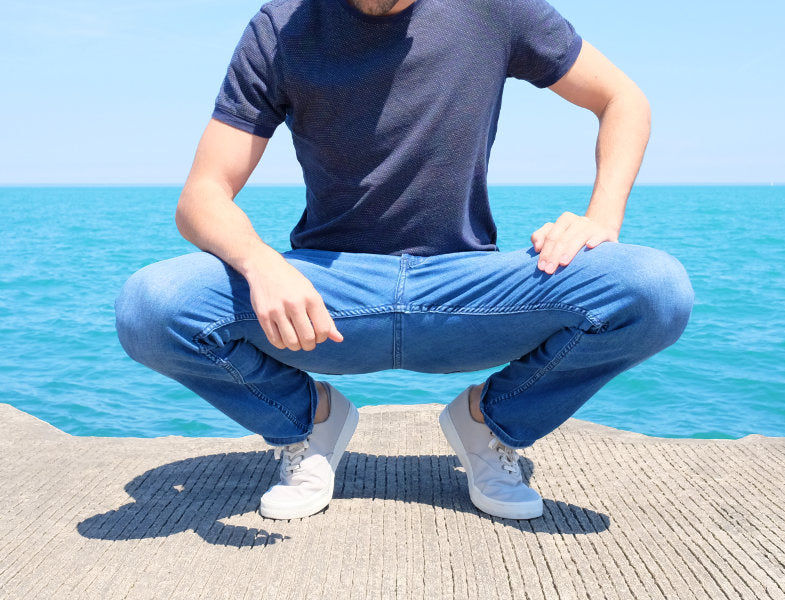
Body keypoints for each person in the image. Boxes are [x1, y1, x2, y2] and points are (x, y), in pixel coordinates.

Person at [115, 0, 693, 521]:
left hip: (464, 291)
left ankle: (490, 425)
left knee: (653, 288)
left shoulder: (494, 9)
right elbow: (201, 197)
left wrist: (602, 220)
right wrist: (261, 263)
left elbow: (623, 98)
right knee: (151, 307)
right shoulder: (282, 27)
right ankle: (308, 420)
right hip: (331, 295)